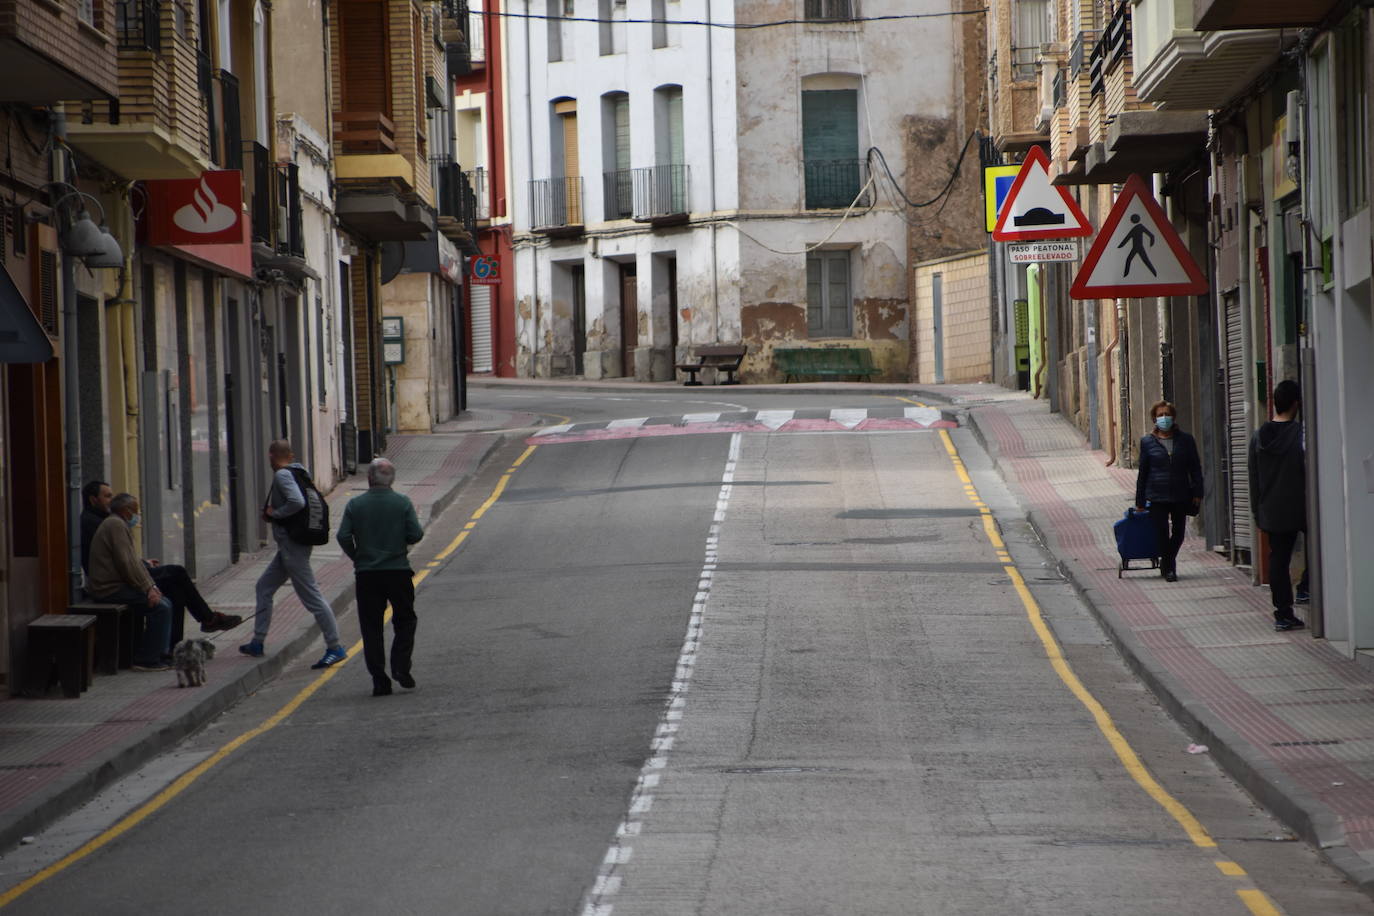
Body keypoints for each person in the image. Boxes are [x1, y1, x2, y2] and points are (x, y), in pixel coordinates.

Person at [80, 480, 242, 637]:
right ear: (93, 500)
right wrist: (149, 586)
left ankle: (174, 644)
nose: (111, 500)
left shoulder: (107, 520)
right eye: (107, 496)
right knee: (176, 574)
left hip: (121, 576)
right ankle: (207, 619)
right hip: (116, 581)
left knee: (176, 589)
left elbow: (123, 556)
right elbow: (122, 561)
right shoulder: (100, 522)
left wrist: (144, 564)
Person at [241, 440, 347, 669]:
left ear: (271, 456)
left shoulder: (282, 476)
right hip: (291, 545)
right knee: (264, 587)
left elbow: (297, 502)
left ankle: (335, 646)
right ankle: (257, 642)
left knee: (312, 596)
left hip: (293, 545)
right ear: (290, 455)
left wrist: (277, 514)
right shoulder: (300, 472)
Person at [336, 458, 423, 696]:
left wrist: (358, 556)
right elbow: (415, 534)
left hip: (367, 575)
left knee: (371, 626)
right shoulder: (402, 502)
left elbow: (343, 535)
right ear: (392, 480)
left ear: (369, 478)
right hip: (398, 571)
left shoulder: (355, 504)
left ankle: (379, 679)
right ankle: (400, 666)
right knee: (405, 620)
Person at [86, 493, 174, 671]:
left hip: (115, 586)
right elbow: (126, 563)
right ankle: (147, 659)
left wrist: (151, 586)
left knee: (165, 602)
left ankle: (159, 653)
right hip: (108, 589)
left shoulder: (117, 523)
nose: (137, 514)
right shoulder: (115, 525)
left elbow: (132, 561)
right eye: (135, 510)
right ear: (126, 511)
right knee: (161, 607)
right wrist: (148, 588)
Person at [1250, 379, 1309, 632]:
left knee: (1278, 560)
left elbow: (1253, 477)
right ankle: (1306, 589)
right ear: (1297, 403)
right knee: (1321, 549)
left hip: (1271, 509)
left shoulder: (1259, 436)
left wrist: (1257, 511)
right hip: (1303, 506)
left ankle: (1282, 613)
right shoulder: (1301, 434)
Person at [1135, 400, 1204, 582]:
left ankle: (1166, 561)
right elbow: (1143, 472)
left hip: (1180, 494)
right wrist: (1140, 501)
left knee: (1179, 533)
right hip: (1157, 496)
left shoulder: (1186, 440)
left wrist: (1198, 492)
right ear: (1154, 419)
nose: (1164, 418)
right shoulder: (1147, 442)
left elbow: (1195, 467)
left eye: (1167, 414)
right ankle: (1169, 569)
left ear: (1173, 417)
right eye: (1160, 415)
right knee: (1162, 533)